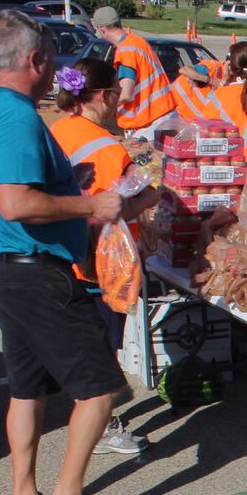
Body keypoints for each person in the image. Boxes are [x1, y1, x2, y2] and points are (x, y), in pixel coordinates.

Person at [0, 11, 133, 495]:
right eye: (52, 60)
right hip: (33, 272)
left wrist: (66, 181)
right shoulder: (15, 116)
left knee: (27, 389)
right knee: (101, 389)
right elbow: (15, 202)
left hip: (2, 270)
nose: (56, 71)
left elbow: (3, 186)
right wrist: (90, 208)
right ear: (35, 60)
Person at [50, 56, 156, 456]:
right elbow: (121, 207)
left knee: (82, 341)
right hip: (100, 259)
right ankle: (103, 426)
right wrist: (153, 194)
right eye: (115, 94)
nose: (118, 102)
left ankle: (96, 417)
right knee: (100, 345)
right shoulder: (109, 149)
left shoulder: (61, 129)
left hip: (64, 249)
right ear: (103, 95)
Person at [92, 6, 176, 138]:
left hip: (149, 123)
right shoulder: (138, 42)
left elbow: (126, 94)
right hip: (164, 114)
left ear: (102, 30)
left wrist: (101, 108)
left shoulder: (125, 51)